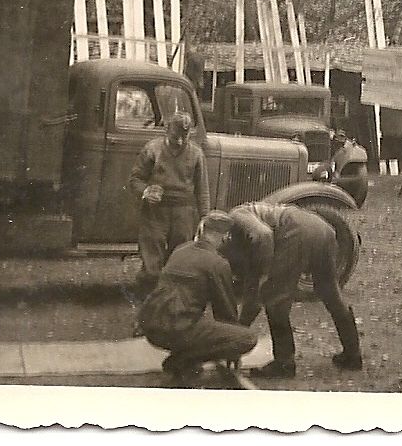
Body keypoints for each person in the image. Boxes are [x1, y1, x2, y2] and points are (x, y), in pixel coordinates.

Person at [224, 201, 362, 379]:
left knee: (275, 300)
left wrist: (265, 275)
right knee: (330, 291)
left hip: (294, 231)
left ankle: (284, 364)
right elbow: (252, 289)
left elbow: (264, 236)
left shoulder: (236, 215)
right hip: (322, 228)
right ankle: (353, 354)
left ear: (224, 237)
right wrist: (241, 330)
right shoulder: (245, 232)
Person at [137, 211, 258, 384]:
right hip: (177, 329)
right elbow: (225, 312)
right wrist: (232, 349)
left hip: (151, 326)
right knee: (247, 338)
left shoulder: (180, 250)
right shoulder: (217, 263)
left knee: (198, 324)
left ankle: (183, 359)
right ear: (226, 238)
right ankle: (181, 361)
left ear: (202, 230)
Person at [129, 112, 211, 288]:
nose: (180, 142)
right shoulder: (153, 149)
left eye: (185, 137)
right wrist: (146, 191)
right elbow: (135, 179)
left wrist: (205, 218)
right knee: (152, 261)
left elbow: (202, 190)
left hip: (184, 211)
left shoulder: (196, 154)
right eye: (175, 137)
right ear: (166, 130)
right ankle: (149, 300)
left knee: (180, 258)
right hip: (156, 211)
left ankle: (171, 302)